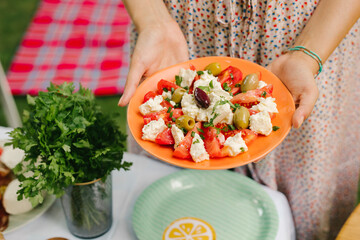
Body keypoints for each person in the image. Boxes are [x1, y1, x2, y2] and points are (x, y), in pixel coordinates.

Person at [118, 0, 360, 239]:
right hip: (179, 36)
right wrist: (153, 19)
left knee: (305, 198)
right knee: (173, 203)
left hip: (313, 32)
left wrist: (307, 54)